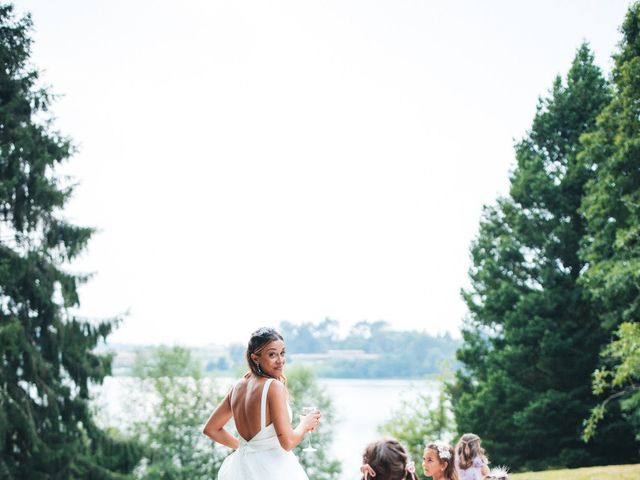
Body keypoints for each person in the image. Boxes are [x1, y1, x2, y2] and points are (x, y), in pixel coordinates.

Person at [202, 327, 321, 480]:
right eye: (272, 354)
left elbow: (211, 429)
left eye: (282, 353)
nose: (280, 360)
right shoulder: (273, 386)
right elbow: (288, 442)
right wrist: (305, 424)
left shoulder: (237, 387)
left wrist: (247, 448)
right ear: (255, 358)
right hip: (273, 471)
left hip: (242, 469)